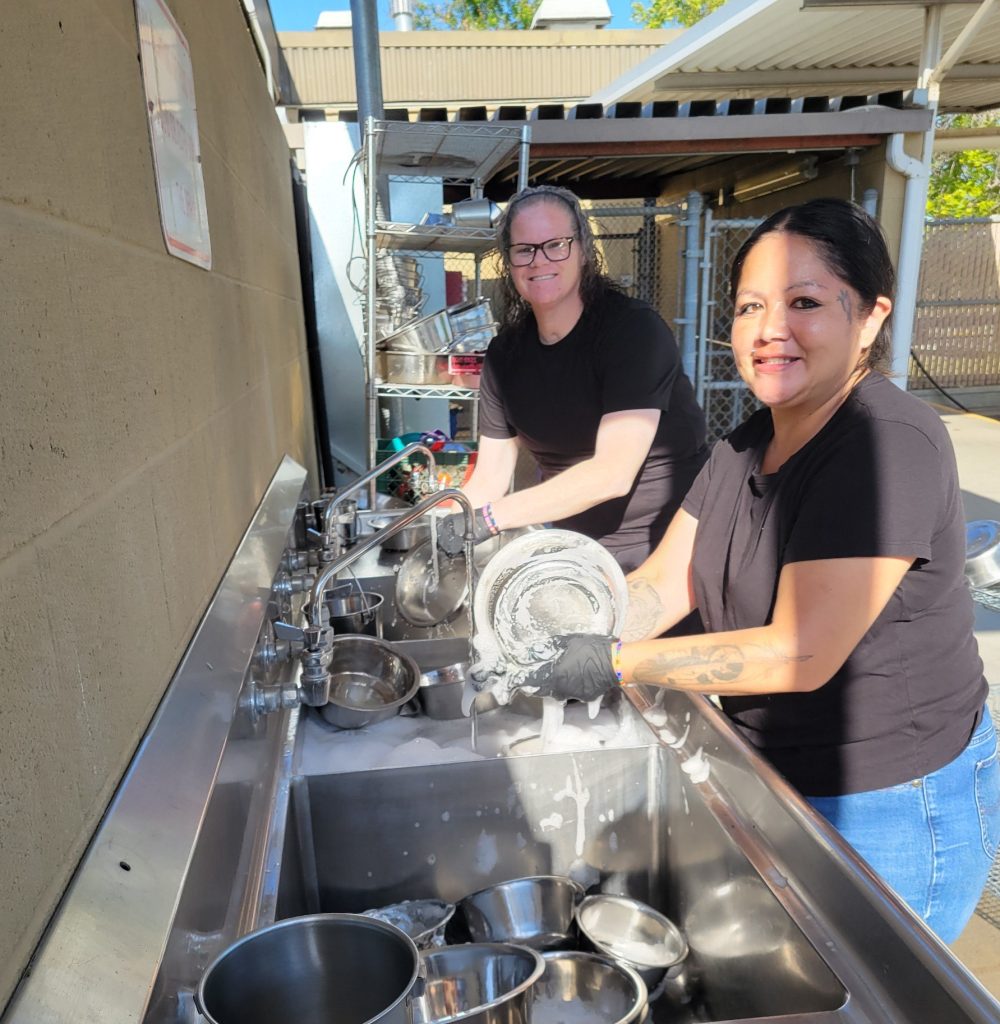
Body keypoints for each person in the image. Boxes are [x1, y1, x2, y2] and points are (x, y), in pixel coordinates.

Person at [502, 197, 1000, 944]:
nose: (770, 330)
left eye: (804, 303)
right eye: (750, 306)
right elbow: (668, 584)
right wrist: (569, 630)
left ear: (868, 318)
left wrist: (612, 662)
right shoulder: (746, 445)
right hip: (781, 776)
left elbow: (800, 651)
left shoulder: (887, 444)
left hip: (889, 804)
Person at [436, 185, 708, 576]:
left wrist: (489, 518)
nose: (538, 260)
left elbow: (612, 473)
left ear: (582, 250)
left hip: (668, 548)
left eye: (556, 244)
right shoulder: (505, 355)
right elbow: (491, 477)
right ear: (509, 262)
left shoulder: (632, 332)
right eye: (524, 249)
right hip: (575, 548)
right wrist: (439, 522)